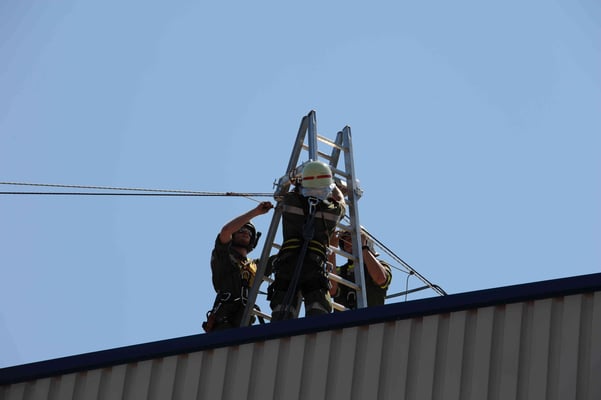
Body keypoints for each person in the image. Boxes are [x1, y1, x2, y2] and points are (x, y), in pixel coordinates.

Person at [268, 161, 346, 321]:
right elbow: (341, 201)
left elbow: (280, 194)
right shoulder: (332, 211)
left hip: (288, 263)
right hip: (314, 266)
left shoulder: (290, 200)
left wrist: (293, 179)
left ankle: (279, 333)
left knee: (282, 312)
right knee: (318, 311)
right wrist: (334, 186)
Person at [202, 201, 274, 332]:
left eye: (249, 232)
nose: (245, 233)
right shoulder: (223, 257)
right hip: (223, 321)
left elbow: (285, 256)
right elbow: (225, 231)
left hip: (245, 320)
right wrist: (256, 212)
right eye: (241, 230)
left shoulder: (256, 266)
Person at [329, 229, 392, 309]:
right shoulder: (339, 271)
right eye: (344, 241)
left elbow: (380, 278)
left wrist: (363, 247)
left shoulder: (382, 266)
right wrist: (332, 250)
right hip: (344, 317)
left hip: (370, 316)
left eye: (351, 239)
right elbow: (331, 290)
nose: (347, 243)